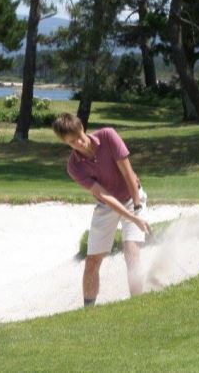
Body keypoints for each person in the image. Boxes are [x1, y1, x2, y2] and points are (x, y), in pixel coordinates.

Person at [53, 113, 151, 307]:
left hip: (133, 198)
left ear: (82, 127)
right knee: (92, 261)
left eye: (80, 136)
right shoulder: (74, 167)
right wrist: (131, 217)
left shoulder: (108, 136)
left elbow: (128, 173)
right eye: (72, 142)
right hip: (106, 205)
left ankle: (137, 307)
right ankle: (89, 311)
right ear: (66, 143)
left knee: (131, 253)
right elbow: (104, 195)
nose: (80, 143)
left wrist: (137, 208)